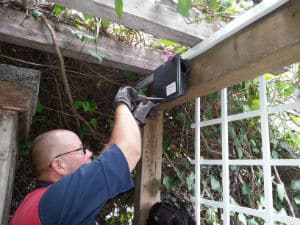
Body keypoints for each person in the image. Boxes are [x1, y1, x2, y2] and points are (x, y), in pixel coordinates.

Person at [9, 86, 155, 225]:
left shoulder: (40, 201)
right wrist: (122, 102)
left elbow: (108, 160)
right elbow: (128, 151)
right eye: (82, 150)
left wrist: (132, 122)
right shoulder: (57, 200)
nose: (90, 153)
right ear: (59, 165)